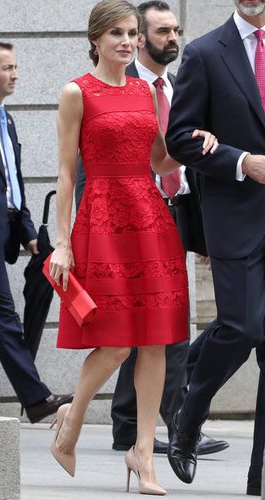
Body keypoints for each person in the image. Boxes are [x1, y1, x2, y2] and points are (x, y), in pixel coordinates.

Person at [48, 0, 218, 494]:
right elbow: (64, 172)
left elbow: (162, 161)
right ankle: (72, 418)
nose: (127, 41)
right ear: (96, 38)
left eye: (131, 34)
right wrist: (62, 243)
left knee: (157, 338)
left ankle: (143, 453)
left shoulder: (146, 91)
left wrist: (199, 140)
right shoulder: (75, 92)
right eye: (117, 34)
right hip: (101, 222)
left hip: (151, 220)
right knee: (117, 340)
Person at [165, 0, 265, 496]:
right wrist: (241, 160)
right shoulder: (205, 53)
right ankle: (190, 413)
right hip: (236, 216)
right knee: (241, 326)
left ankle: (258, 478)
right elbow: (178, 138)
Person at [0, 41, 73, 423]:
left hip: (1, 228)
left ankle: (36, 398)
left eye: (16, 67)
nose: (14, 75)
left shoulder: (4, 117)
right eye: (5, 68)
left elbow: (11, 181)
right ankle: (37, 398)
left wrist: (28, 231)